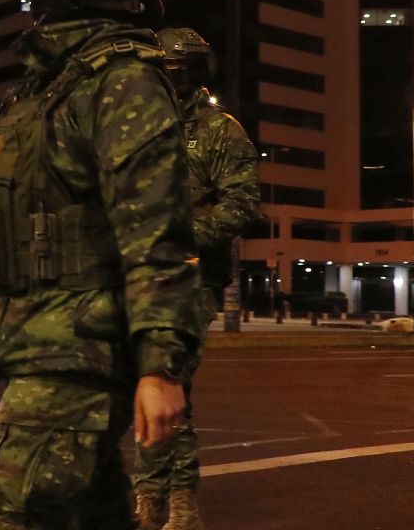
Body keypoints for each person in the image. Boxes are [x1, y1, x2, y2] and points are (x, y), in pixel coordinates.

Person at [0, 0, 201, 530]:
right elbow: (24, 180)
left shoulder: (123, 80)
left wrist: (162, 367)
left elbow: (155, 234)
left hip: (73, 358)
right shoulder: (44, 87)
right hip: (30, 344)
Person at [133, 28, 260, 530]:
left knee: (170, 375)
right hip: (141, 276)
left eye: (174, 70)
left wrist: (183, 236)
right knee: (145, 381)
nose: (165, 78)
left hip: (193, 277)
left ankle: (177, 500)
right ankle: (150, 496)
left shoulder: (219, 130)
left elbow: (243, 204)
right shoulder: (140, 130)